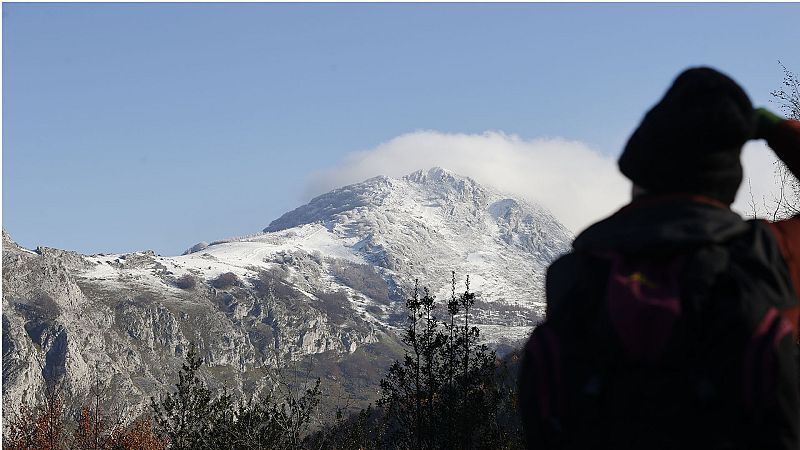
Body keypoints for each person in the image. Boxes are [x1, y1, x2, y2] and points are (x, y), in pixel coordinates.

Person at [519, 67, 800, 450]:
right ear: (727, 181)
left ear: (637, 177)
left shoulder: (574, 275)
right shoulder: (767, 257)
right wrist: (774, 128)